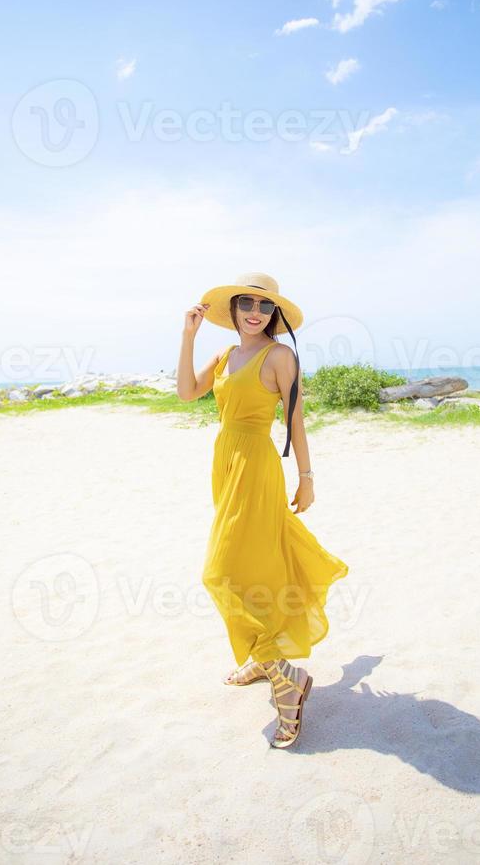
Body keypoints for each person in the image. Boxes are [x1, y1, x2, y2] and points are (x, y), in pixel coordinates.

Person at [177, 272, 349, 748]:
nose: (255, 311)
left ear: (274, 314)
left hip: (256, 464)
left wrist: (307, 478)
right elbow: (188, 392)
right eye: (246, 303)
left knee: (220, 571)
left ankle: (287, 680)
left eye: (264, 305)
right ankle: (260, 653)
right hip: (225, 461)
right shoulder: (226, 354)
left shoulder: (279, 356)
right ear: (232, 311)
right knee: (250, 565)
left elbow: (295, 418)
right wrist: (189, 337)